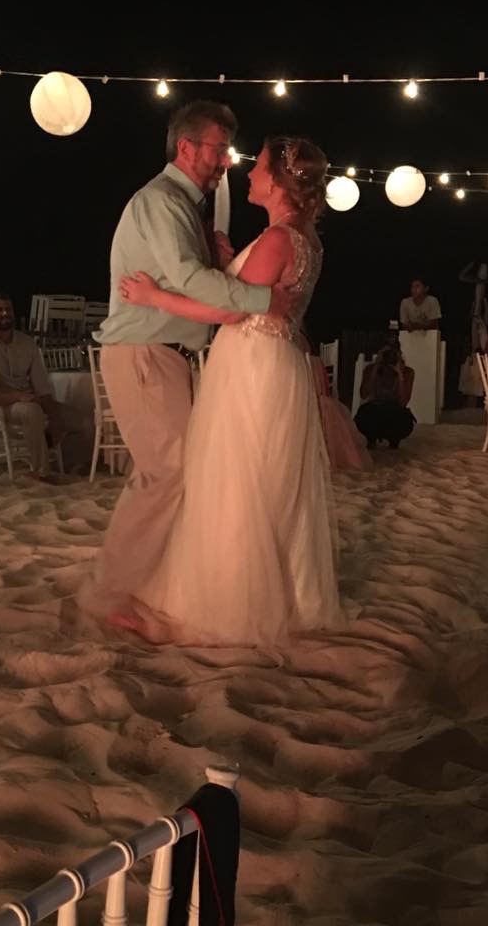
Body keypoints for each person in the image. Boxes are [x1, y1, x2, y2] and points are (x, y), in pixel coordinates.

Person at [114, 135, 342, 646]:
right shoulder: (302, 239)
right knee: (267, 480)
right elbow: (255, 293)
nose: (249, 173)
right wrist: (231, 260)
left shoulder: (280, 239)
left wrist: (157, 297)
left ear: (279, 183)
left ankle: (225, 600)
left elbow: (232, 310)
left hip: (252, 366)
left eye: (259, 167)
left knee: (237, 479)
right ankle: (283, 593)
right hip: (276, 363)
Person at [91, 101, 291, 601]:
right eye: (220, 149)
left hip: (162, 352)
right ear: (186, 147)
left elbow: (188, 281)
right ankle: (116, 593)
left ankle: (149, 585)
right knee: (168, 473)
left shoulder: (183, 207)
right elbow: (187, 280)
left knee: (176, 472)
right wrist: (266, 301)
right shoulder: (161, 201)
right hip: (143, 351)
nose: (227, 161)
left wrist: (219, 260)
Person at [0, 293, 63, 480]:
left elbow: (42, 387)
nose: (5, 313)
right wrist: (17, 397)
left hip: (27, 400)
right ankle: (41, 472)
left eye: (8, 309)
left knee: (72, 413)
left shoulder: (27, 344)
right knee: (31, 411)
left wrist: (56, 417)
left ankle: (74, 461)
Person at [355, 342, 416, 449]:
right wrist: (375, 367)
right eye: (387, 354)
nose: (389, 358)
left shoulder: (408, 372)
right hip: (375, 408)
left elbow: (403, 402)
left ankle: (394, 439)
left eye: (393, 354)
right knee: (363, 415)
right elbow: (364, 394)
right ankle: (371, 437)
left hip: (394, 410)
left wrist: (400, 375)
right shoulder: (371, 369)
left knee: (405, 420)